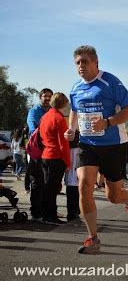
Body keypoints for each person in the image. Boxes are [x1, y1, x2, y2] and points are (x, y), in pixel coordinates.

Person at [64, 45, 128, 254]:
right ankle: (93, 238)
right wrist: (72, 130)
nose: (81, 66)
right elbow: (75, 111)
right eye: (77, 62)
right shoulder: (75, 87)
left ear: (96, 62)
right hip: (88, 145)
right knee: (84, 184)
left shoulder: (110, 82)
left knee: (113, 196)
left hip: (114, 145)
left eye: (85, 61)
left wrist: (107, 122)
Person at [40, 92, 71, 225]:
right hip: (56, 157)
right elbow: (63, 144)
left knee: (47, 188)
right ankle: (51, 216)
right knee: (53, 189)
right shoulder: (59, 119)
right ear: (63, 104)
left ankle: (46, 214)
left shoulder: (45, 116)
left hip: (45, 155)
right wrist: (67, 162)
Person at [27, 88, 53, 222]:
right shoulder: (34, 111)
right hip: (37, 152)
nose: (47, 98)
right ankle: (36, 214)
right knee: (37, 182)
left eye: (50, 96)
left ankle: (45, 211)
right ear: (40, 97)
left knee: (47, 183)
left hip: (49, 153)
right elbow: (34, 130)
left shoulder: (52, 111)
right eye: (45, 96)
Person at [64, 130, 80, 222]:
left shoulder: (67, 148)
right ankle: (76, 212)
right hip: (77, 177)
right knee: (77, 195)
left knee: (70, 196)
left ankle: (70, 213)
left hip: (69, 177)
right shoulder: (80, 149)